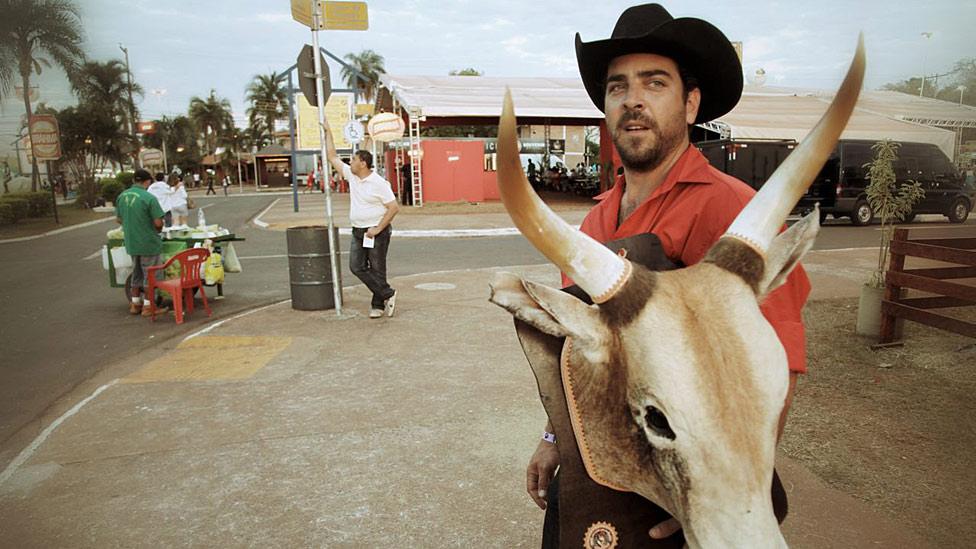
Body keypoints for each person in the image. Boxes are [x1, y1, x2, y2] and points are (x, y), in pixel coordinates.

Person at [525, 4, 811, 546]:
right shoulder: (595, 219)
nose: (632, 100)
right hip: (595, 475)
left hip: (680, 492)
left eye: (654, 83)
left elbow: (778, 367)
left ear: (691, 101)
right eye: (618, 87)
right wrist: (553, 438)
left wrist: (714, 491)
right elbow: (580, 359)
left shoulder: (734, 215)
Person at [322, 122, 400, 319]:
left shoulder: (378, 183)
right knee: (356, 267)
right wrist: (328, 132)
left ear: (363, 163)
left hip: (376, 231)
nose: (350, 162)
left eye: (354, 159)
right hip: (358, 231)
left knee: (377, 268)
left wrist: (377, 228)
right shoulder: (352, 176)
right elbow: (332, 156)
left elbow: (393, 208)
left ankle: (378, 305)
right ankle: (387, 293)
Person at [115, 169, 168, 317]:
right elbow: (158, 222)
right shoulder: (148, 197)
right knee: (150, 275)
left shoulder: (122, 196)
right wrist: (157, 228)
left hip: (131, 242)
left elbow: (119, 219)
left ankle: (135, 303)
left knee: (136, 273)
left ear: (133, 181)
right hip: (148, 243)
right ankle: (149, 306)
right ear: (147, 181)